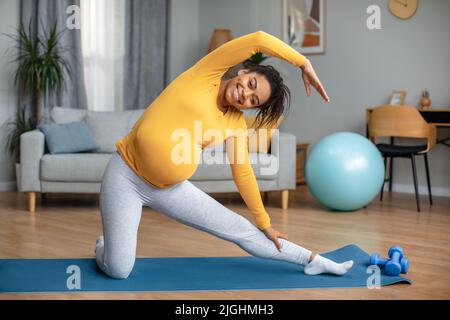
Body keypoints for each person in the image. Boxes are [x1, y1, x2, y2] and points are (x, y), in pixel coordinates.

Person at [95, 31, 353, 279]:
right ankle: (104, 246)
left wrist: (265, 223)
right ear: (243, 71)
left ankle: (313, 260)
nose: (246, 94)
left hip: (169, 190)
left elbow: (242, 172)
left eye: (253, 100)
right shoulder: (205, 74)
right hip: (126, 177)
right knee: (119, 270)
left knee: (242, 230)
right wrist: (303, 62)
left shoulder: (236, 125)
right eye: (250, 84)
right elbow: (258, 39)